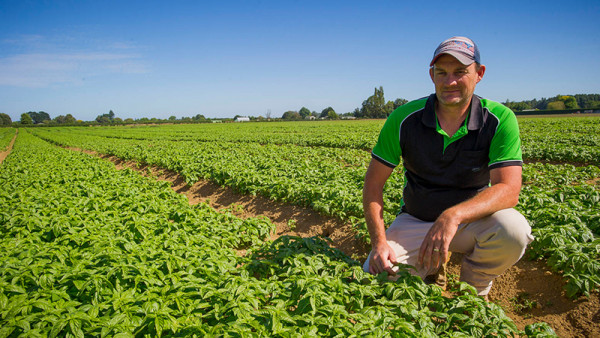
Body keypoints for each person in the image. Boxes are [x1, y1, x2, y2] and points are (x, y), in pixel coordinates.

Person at [362, 36, 533, 297]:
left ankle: (473, 291)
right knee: (378, 278)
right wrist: (379, 243)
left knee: (513, 230)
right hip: (416, 220)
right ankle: (432, 266)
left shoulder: (499, 120)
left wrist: (452, 216)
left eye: (460, 72)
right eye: (441, 72)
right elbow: (373, 184)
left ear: (479, 73)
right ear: (431, 75)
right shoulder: (404, 119)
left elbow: (509, 189)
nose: (449, 81)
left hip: (469, 223)